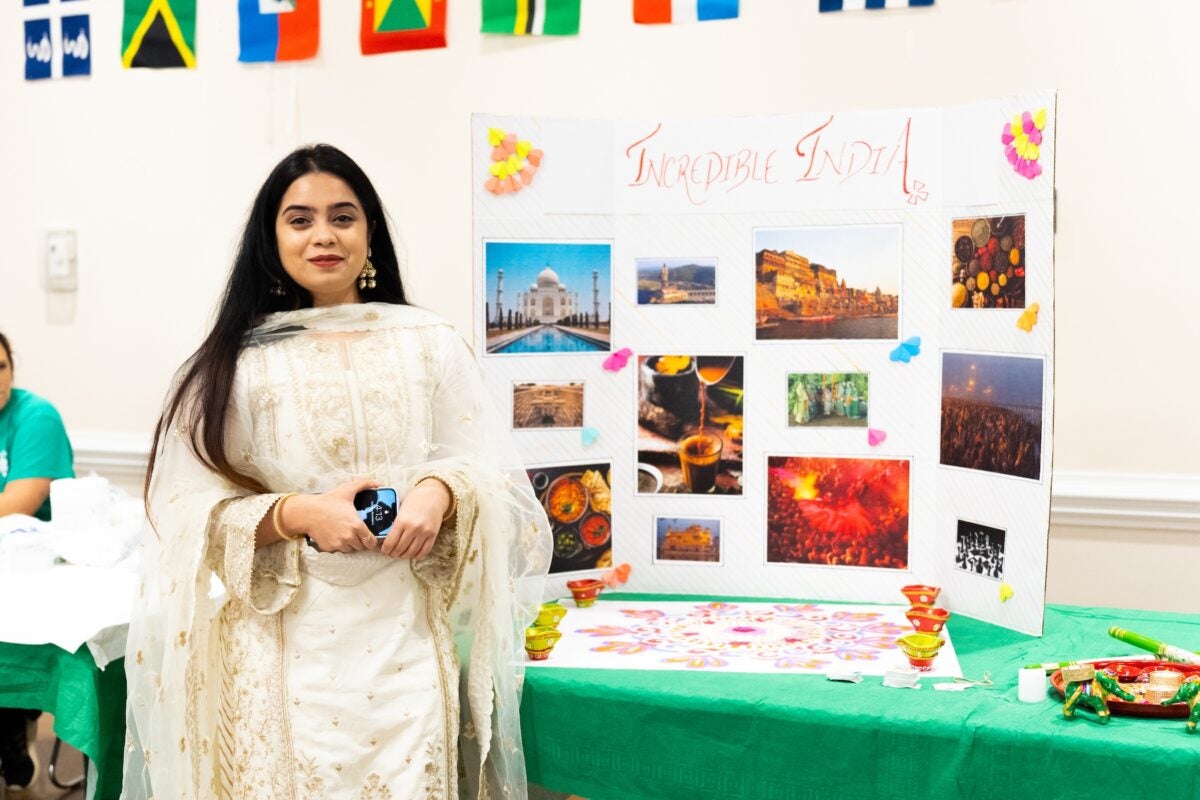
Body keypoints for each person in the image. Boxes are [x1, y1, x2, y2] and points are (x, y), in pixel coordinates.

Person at [122, 145, 551, 799]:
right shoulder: (234, 363)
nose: (323, 235)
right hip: (283, 648)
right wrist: (299, 513)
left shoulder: (428, 342)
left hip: (406, 641)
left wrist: (439, 493)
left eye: (343, 217)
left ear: (369, 233)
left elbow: (489, 471)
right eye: (299, 220)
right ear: (271, 239)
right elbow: (180, 513)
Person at [0, 331, 74, 791]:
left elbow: (20, 500)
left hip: (30, 563)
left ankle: (12, 726)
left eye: (0, 366)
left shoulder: (35, 416)